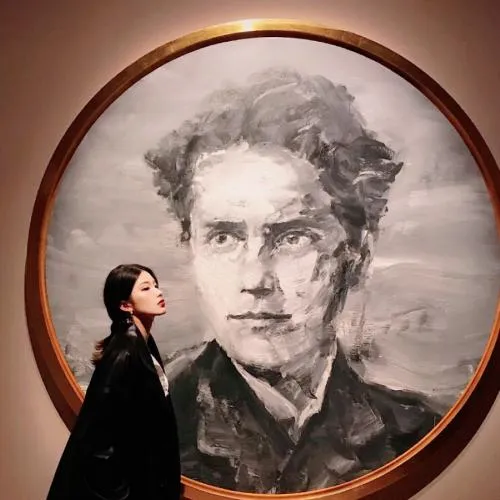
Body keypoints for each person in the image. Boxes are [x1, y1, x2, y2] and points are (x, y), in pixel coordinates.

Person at [144, 68, 441, 493]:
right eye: (223, 237)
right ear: (191, 247)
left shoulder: (417, 433)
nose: (255, 279)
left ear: (357, 254)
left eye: (292, 237)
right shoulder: (144, 421)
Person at [47, 264, 182, 500]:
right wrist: (122, 494)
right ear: (125, 305)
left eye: (156, 285)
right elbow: (98, 440)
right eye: (146, 288)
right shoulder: (124, 353)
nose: (158, 292)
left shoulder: (141, 344)